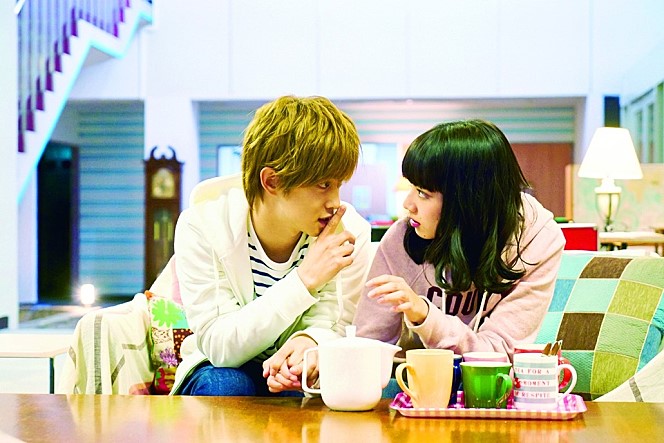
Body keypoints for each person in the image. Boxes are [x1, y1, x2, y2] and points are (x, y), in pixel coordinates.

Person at [171, 95, 372, 396]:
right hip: (218, 369)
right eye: (323, 185)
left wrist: (310, 343)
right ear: (272, 182)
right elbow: (220, 346)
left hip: (295, 371)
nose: (335, 202)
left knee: (299, 392)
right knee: (227, 386)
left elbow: (338, 324)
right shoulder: (203, 226)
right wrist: (304, 280)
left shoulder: (350, 231)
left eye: (339, 184)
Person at [354, 119, 565, 365]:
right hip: (413, 379)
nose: (407, 204)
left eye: (423, 193)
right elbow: (366, 346)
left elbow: (498, 354)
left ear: (466, 202)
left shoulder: (536, 241)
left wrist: (424, 314)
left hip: (490, 383)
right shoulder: (401, 239)